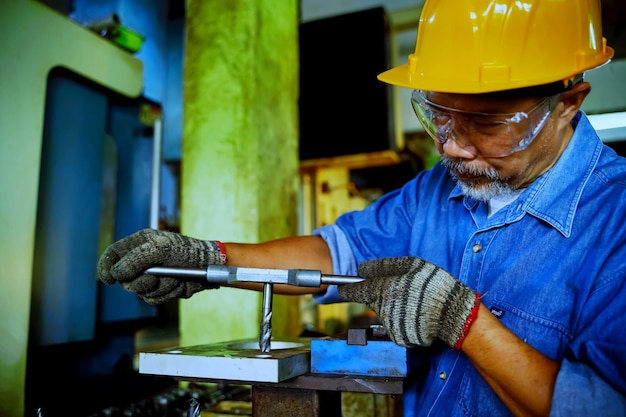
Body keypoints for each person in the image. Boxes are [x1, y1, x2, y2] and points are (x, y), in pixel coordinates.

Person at [97, 0, 626, 415]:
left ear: (569, 102)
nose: (452, 147)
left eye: (486, 124)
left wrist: (467, 326)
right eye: (441, 115)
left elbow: (607, 406)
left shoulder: (616, 219)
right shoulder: (429, 192)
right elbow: (338, 251)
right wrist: (209, 258)